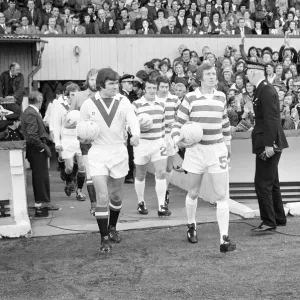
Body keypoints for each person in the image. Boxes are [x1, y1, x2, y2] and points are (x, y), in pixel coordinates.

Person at [171, 62, 236, 253]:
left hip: (217, 150)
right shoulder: (190, 98)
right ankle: (191, 225)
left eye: (214, 74)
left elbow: (224, 121)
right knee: (193, 192)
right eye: (208, 74)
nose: (212, 77)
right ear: (200, 77)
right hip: (196, 151)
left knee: (221, 194)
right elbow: (177, 124)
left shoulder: (221, 96)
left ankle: (224, 238)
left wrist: (228, 142)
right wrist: (178, 141)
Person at [79, 68, 140, 253]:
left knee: (116, 196)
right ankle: (104, 237)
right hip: (97, 153)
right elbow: (81, 129)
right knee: (102, 196)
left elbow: (132, 120)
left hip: (119, 152)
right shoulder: (88, 105)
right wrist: (82, 138)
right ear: (101, 84)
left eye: (116, 83)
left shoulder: (123, 101)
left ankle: (112, 227)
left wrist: (135, 135)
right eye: (112, 83)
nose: (116, 86)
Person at [245, 61, 289, 232]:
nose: (247, 74)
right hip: (268, 142)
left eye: (249, 71)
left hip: (269, 144)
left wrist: (269, 144)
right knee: (272, 182)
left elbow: (271, 119)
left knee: (262, 183)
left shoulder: (265, 89)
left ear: (255, 73)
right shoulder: (262, 89)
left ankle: (269, 221)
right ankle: (278, 217)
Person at [133, 78, 171, 217]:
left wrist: (163, 140)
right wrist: (137, 129)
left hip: (158, 143)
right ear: (144, 89)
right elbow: (130, 125)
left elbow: (163, 125)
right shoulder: (136, 105)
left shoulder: (161, 104)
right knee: (140, 174)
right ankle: (141, 201)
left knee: (161, 173)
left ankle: (161, 206)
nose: (152, 91)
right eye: (149, 88)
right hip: (142, 143)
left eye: (154, 88)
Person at [69, 69, 98, 214]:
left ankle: (101, 199)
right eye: (91, 79)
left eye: (96, 79)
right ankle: (89, 200)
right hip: (84, 140)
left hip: (101, 141)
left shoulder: (104, 97)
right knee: (86, 169)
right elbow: (70, 118)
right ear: (88, 80)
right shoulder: (79, 96)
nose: (94, 82)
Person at [52, 83, 86, 201]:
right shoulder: (59, 105)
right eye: (72, 94)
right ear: (67, 94)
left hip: (79, 139)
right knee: (69, 167)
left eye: (76, 94)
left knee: (82, 165)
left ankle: (79, 191)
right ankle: (68, 181)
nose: (74, 97)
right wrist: (57, 142)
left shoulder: (82, 105)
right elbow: (56, 124)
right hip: (66, 139)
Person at [21, 91, 53, 218]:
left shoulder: (29, 112)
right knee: (40, 178)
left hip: (35, 149)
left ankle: (43, 203)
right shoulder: (31, 113)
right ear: (39, 101)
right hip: (36, 150)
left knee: (41, 177)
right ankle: (40, 206)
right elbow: (32, 135)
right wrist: (41, 148)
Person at [156, 75, 180, 208]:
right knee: (160, 169)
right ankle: (161, 196)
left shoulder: (174, 99)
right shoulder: (153, 99)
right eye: (162, 87)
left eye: (166, 86)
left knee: (169, 167)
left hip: (170, 137)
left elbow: (181, 116)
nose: (165, 89)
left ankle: (165, 190)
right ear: (158, 87)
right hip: (158, 137)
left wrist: (176, 125)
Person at [119, 74, 136, 184]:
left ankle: (129, 173)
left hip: (130, 126)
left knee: (131, 151)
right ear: (122, 83)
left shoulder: (131, 95)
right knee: (126, 151)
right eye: (128, 83)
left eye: (132, 83)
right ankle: (127, 174)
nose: (131, 85)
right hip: (123, 127)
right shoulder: (121, 96)